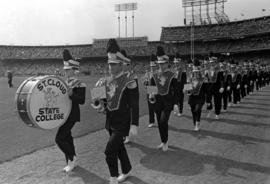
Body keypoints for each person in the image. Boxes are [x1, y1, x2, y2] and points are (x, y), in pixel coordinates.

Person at [97, 39, 139, 184]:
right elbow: (103, 103)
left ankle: (113, 178)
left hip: (123, 123)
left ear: (121, 64)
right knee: (119, 148)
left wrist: (134, 124)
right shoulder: (106, 80)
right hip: (110, 121)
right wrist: (100, 106)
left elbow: (135, 104)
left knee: (109, 151)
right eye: (109, 64)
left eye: (113, 64)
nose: (110, 67)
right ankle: (126, 170)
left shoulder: (130, 80)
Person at [55, 49, 86, 172]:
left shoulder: (80, 83)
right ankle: (71, 160)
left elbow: (82, 101)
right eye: (65, 70)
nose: (66, 72)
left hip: (72, 115)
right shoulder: (64, 82)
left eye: (68, 70)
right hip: (64, 114)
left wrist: (72, 94)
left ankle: (72, 158)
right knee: (67, 137)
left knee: (59, 138)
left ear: (74, 70)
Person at [150, 46, 179, 152]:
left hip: (168, 102)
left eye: (163, 63)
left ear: (167, 63)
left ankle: (165, 141)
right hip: (157, 102)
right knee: (159, 122)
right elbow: (151, 87)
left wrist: (176, 104)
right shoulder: (154, 74)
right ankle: (163, 141)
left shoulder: (172, 75)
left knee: (163, 121)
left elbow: (176, 91)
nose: (161, 65)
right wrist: (151, 94)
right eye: (159, 64)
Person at [120, 49, 139, 144]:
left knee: (127, 115)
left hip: (128, 102)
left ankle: (127, 134)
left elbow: (135, 100)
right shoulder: (118, 76)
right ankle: (125, 135)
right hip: (121, 103)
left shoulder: (132, 77)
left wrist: (134, 123)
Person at [187, 59, 207, 131]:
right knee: (193, 111)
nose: (195, 73)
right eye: (194, 72)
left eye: (197, 72)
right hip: (192, 98)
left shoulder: (203, 79)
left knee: (198, 109)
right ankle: (195, 123)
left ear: (199, 72)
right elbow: (187, 89)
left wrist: (208, 100)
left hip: (200, 98)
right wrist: (187, 89)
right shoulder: (190, 79)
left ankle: (197, 123)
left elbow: (206, 90)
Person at [143, 54, 158, 128]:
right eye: (151, 66)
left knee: (157, 108)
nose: (152, 68)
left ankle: (160, 119)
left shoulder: (159, 73)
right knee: (150, 108)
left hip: (157, 92)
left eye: (153, 66)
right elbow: (145, 83)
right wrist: (145, 82)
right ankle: (151, 121)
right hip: (149, 91)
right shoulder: (148, 73)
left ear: (156, 65)